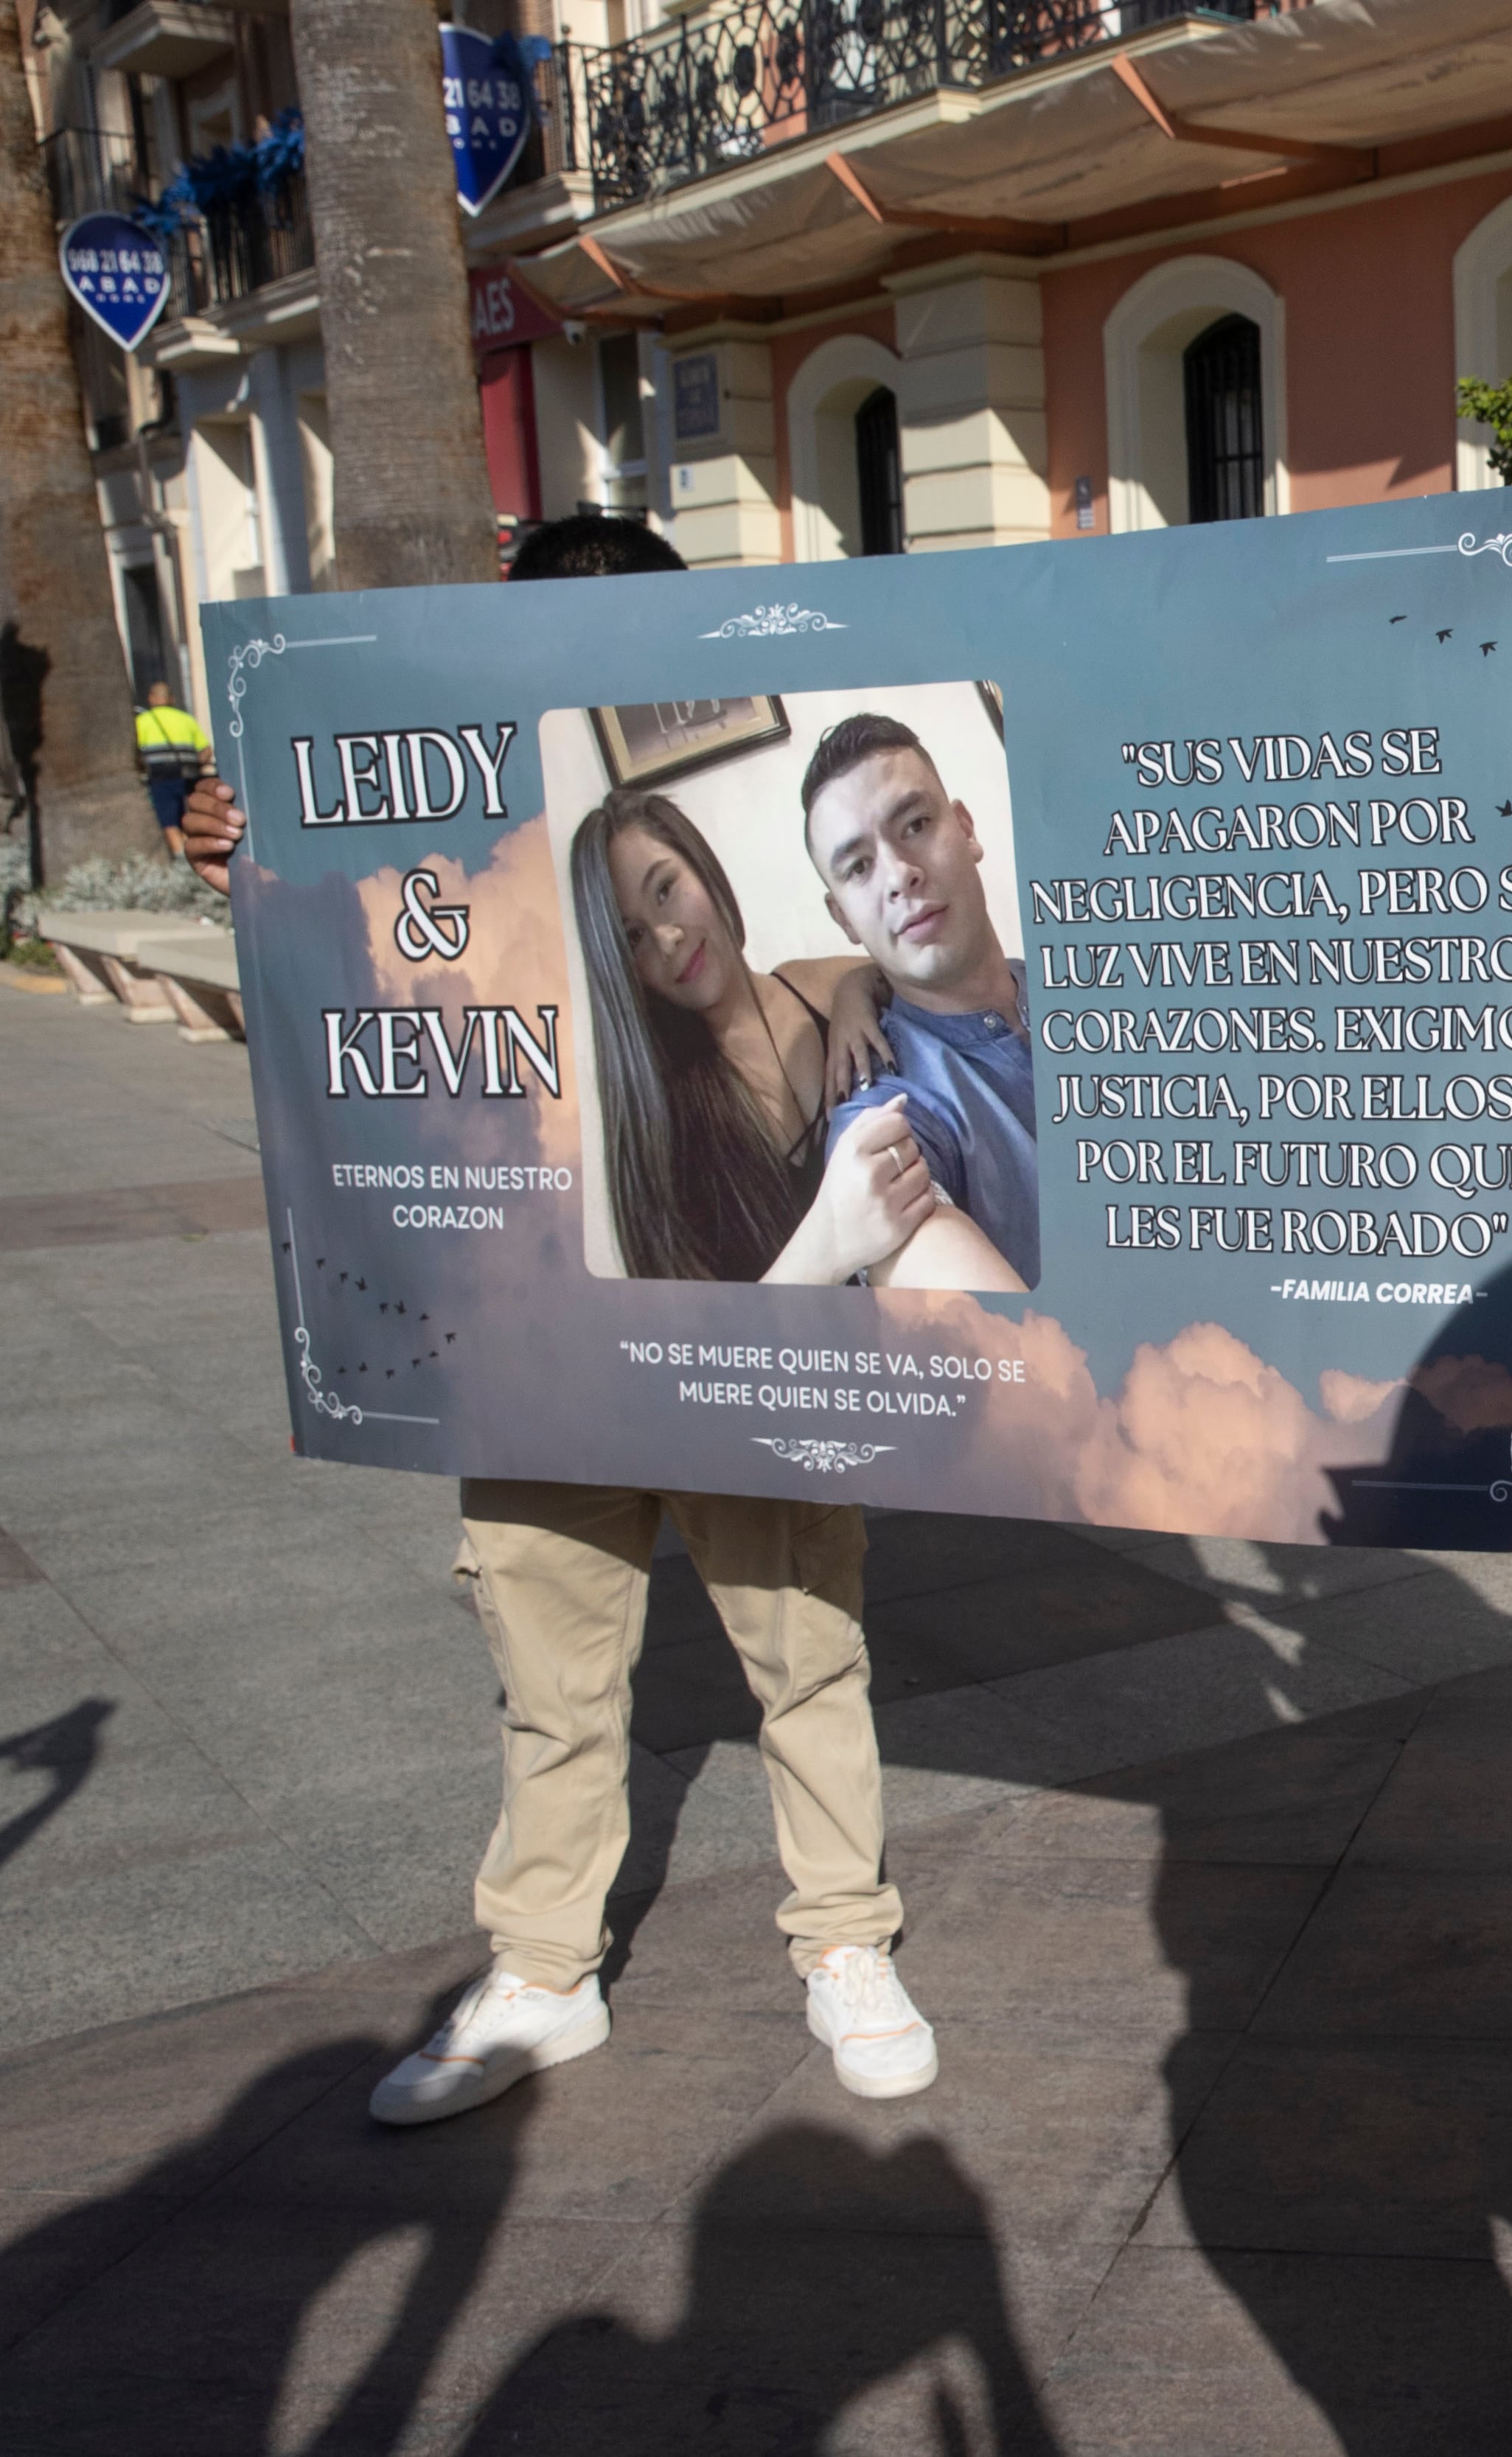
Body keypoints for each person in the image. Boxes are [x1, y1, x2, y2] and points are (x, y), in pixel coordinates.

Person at [171, 512, 946, 2122]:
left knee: (806, 1656)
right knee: (548, 1664)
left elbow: (911, 1003)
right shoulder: (534, 952)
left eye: (678, 887)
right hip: (546, 1368)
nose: (672, 930)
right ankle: (542, 1969)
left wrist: (871, 985)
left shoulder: (821, 989)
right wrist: (260, 869)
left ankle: (844, 1943)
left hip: (759, 1379)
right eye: (641, 915)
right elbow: (357, 1023)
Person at [568, 787, 996, 1287]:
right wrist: (828, 1245)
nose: (668, 939)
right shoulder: (660, 1122)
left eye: (665, 890)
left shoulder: (824, 987)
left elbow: (922, 981)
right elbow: (698, 1354)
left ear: (701, 868)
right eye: (634, 938)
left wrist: (856, 990)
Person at [800, 714, 1038, 1289]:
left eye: (915, 824)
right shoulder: (883, 1114)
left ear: (965, 828)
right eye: (858, 867)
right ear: (843, 918)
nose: (899, 874)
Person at [136, 681, 208, 853]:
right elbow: (206, 751)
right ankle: (194, 851)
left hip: (161, 778)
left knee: (169, 822)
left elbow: (136, 754)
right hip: (188, 776)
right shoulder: (186, 719)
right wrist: (196, 765)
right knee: (190, 818)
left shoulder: (143, 721)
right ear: (172, 699)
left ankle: (182, 857)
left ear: (151, 699)